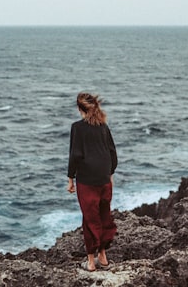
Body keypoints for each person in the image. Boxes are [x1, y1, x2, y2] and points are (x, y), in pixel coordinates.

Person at [67, 92, 118, 272]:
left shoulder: (77, 128)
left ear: (79, 108)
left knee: (90, 218)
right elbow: (112, 152)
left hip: (87, 180)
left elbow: (76, 155)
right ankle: (103, 257)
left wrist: (70, 178)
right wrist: (110, 173)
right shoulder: (103, 126)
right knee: (104, 215)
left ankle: (90, 261)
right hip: (104, 177)